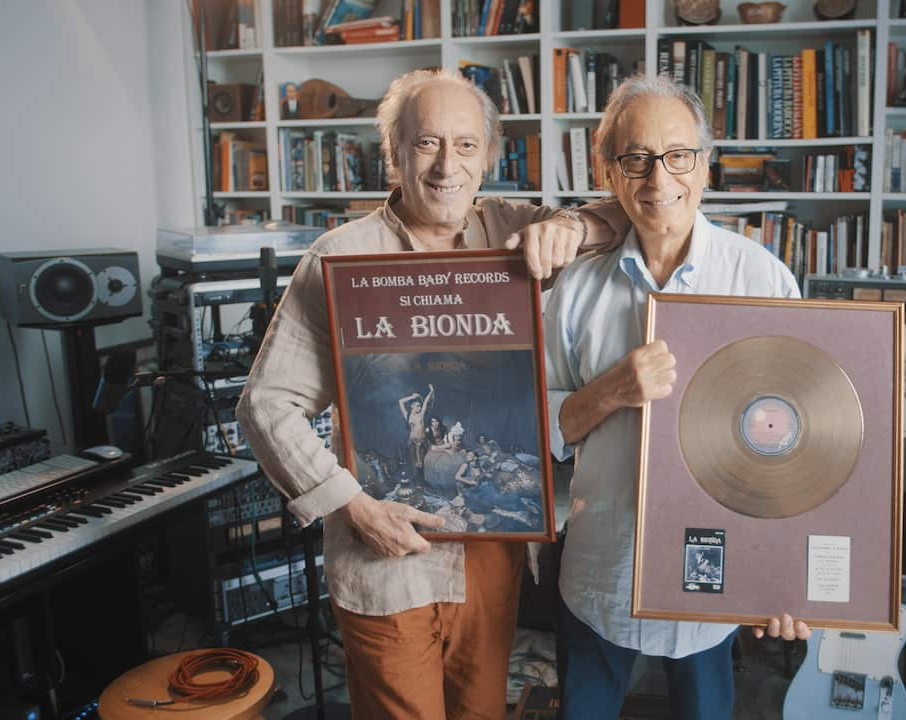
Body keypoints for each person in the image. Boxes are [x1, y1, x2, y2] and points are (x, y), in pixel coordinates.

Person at [236, 68, 625, 720]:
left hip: (491, 555)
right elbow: (266, 405)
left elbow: (622, 212)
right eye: (426, 144)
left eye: (466, 145)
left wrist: (572, 229)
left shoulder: (515, 228)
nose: (448, 165)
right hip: (387, 553)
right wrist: (354, 507)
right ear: (392, 153)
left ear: (489, 157)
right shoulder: (338, 257)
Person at [542, 75, 811, 720]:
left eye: (677, 155)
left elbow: (800, 442)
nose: (658, 178)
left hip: (716, 579)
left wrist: (786, 575)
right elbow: (538, 430)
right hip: (600, 570)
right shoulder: (573, 290)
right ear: (609, 172)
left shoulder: (763, 280)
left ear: (705, 166)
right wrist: (610, 390)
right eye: (635, 157)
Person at [399, 385, 434, 471]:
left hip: (422, 441)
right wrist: (412, 397)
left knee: (424, 462)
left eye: (420, 406)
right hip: (413, 442)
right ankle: (416, 482)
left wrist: (431, 391)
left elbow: (425, 402)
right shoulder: (407, 416)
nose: (420, 407)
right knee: (414, 463)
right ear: (412, 406)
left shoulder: (421, 415)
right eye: (417, 406)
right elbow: (401, 401)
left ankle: (423, 481)